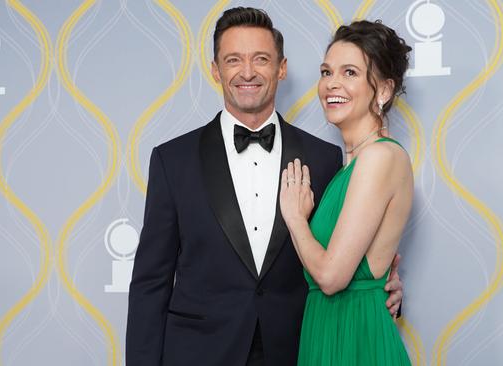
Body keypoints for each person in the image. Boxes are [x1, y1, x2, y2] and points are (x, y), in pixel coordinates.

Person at [125, 7, 402, 366]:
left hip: (297, 348)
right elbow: (150, 282)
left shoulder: (325, 158)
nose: (248, 72)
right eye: (233, 60)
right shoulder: (173, 160)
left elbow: (350, 250)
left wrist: (384, 287)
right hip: (199, 353)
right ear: (215, 70)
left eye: (261, 59)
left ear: (281, 68)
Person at [279, 20, 414, 365]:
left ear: (383, 91)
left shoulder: (380, 157)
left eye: (350, 72)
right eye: (326, 72)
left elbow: (331, 277)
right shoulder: (346, 167)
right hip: (327, 332)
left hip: (356, 341)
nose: (331, 84)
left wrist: (295, 219)